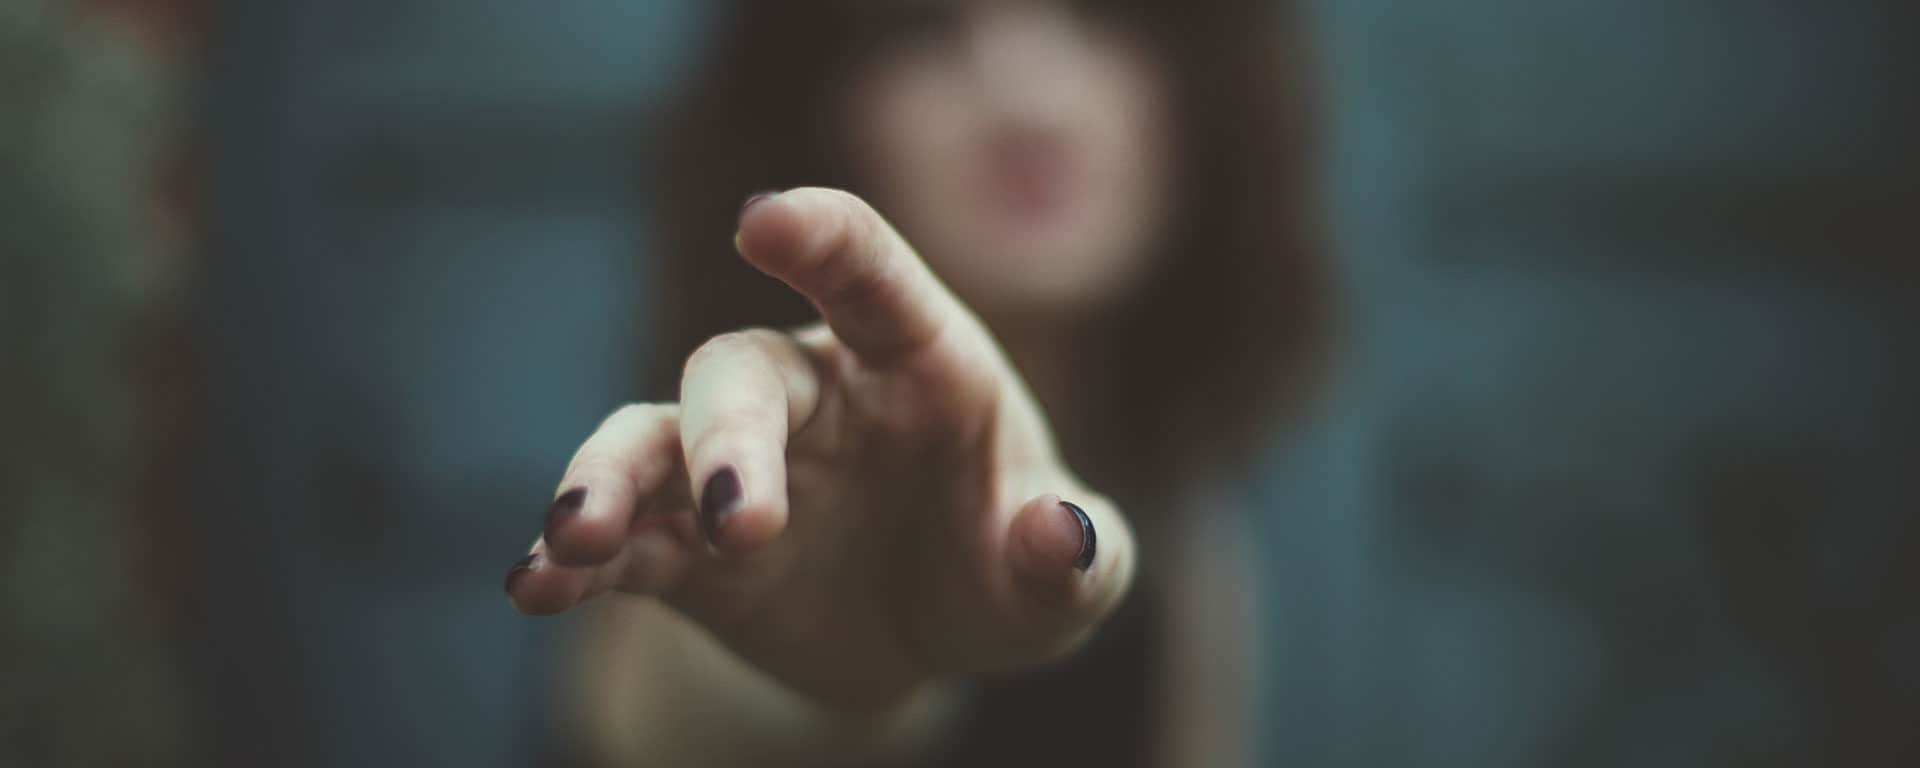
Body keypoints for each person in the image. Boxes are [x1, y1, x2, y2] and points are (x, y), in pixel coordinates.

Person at [502, 1, 1324, 765]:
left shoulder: (1192, 536)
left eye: (1100, 14)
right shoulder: (697, 506)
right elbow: (698, 706)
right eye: (924, 32)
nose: (1029, 103)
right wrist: (814, 653)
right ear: (817, 115)